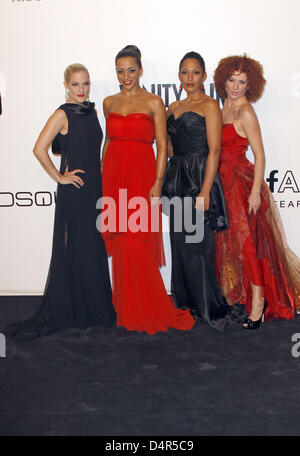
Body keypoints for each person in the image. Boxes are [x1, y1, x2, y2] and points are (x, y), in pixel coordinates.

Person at [6, 63, 116, 341]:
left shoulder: (91, 111)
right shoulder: (62, 113)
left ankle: (94, 309)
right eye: (76, 84)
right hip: (76, 191)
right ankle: (78, 310)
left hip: (94, 189)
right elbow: (39, 148)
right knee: (79, 248)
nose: (82, 90)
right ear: (66, 86)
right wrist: (59, 177)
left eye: (86, 84)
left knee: (93, 247)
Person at [101, 45, 195, 335]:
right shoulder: (108, 102)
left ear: (140, 70)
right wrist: (102, 172)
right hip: (114, 176)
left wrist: (157, 182)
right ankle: (126, 306)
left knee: (138, 241)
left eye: (131, 69)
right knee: (120, 241)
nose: (126, 76)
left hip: (142, 176)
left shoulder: (154, 102)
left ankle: (148, 306)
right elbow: (107, 140)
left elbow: (163, 146)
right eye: (120, 70)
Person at [162, 52, 247, 331]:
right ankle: (184, 304)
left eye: (195, 72)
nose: (189, 78)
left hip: (200, 178)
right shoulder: (172, 107)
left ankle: (207, 306)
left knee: (199, 246)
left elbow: (214, 150)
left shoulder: (210, 105)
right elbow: (170, 148)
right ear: (178, 76)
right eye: (184, 72)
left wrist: (206, 189)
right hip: (178, 179)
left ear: (204, 75)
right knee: (180, 245)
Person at [213, 54, 299, 329]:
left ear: (250, 85)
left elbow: (260, 155)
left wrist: (253, 194)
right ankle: (243, 295)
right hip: (221, 182)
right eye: (232, 80)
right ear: (223, 80)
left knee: (248, 245)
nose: (236, 86)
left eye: (242, 82)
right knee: (230, 244)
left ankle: (259, 304)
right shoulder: (223, 106)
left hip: (240, 183)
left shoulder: (246, 112)